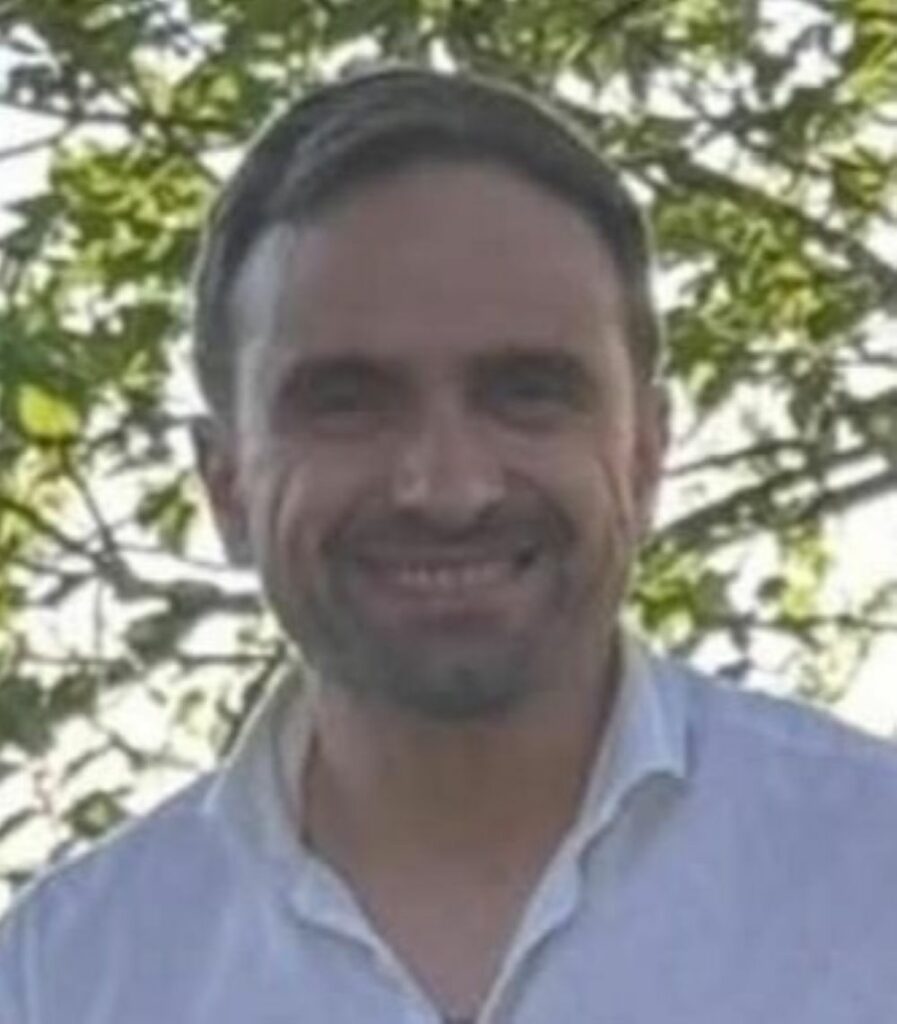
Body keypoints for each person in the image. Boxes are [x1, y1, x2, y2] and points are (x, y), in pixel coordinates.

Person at [1, 67, 896, 1024]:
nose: (447, 487)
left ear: (645, 452)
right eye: (348, 402)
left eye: (526, 392)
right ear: (225, 483)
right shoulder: (65, 979)